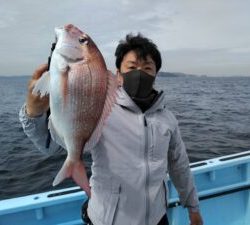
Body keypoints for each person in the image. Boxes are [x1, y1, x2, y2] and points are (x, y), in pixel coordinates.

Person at [19, 33, 203, 225]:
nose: (139, 73)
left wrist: (193, 208)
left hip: (157, 218)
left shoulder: (167, 119)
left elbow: (179, 165)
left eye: (147, 68)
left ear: (156, 74)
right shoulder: (101, 110)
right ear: (118, 74)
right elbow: (50, 145)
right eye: (131, 67)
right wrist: (33, 113)